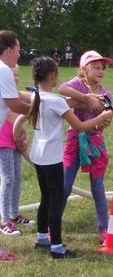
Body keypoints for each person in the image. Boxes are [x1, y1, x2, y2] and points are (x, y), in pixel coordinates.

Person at [14, 56, 113, 259]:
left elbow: (67, 102)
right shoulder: (56, 101)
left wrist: (88, 100)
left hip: (38, 156)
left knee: (46, 199)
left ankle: (42, 239)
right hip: (52, 159)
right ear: (53, 76)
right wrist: (102, 116)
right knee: (56, 201)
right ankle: (57, 248)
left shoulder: (36, 97)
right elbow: (80, 126)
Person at [58, 50, 113, 246]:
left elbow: (101, 124)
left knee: (98, 188)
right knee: (64, 187)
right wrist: (86, 98)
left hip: (95, 143)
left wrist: (102, 124)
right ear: (83, 69)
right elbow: (62, 89)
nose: (100, 71)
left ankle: (104, 230)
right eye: (95, 67)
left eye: (102, 68)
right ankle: (52, 226)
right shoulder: (77, 84)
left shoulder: (107, 94)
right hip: (74, 141)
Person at [0, 30, 31, 261]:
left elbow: (19, 98)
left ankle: (11, 215)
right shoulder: (3, 70)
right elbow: (14, 104)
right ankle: (4, 221)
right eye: (18, 49)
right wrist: (41, 111)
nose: (20, 54)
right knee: (7, 178)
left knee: (14, 177)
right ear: (9, 50)